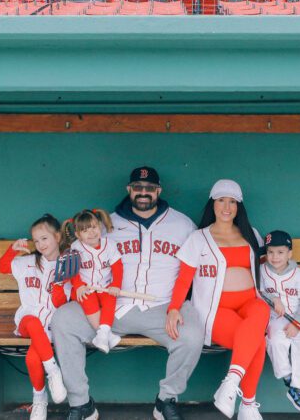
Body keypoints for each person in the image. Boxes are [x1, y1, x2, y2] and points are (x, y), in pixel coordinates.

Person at [52, 166, 203, 420]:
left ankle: (166, 400)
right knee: (63, 320)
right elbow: (79, 253)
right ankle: (81, 403)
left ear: (159, 191)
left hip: (162, 308)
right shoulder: (107, 225)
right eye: (137, 187)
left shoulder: (183, 224)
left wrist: (177, 306)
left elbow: (195, 266)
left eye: (149, 188)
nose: (143, 192)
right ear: (129, 190)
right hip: (111, 308)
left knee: (192, 335)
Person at [167, 179, 269, 420]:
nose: (226, 207)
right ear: (212, 204)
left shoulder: (251, 234)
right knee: (257, 341)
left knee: (261, 310)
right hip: (215, 309)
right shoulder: (198, 238)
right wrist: (173, 308)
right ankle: (248, 405)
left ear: (238, 206)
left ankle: (231, 382)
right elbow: (184, 279)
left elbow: (268, 271)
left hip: (249, 304)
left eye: (232, 202)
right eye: (221, 200)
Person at [0, 213, 71, 420]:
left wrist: (59, 283)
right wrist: (12, 250)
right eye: (36, 241)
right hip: (26, 321)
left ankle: (39, 399)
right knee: (32, 321)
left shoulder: (67, 266)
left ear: (57, 237)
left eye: (44, 238)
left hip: (52, 325)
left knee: (32, 357)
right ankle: (54, 372)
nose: (40, 244)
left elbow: (61, 303)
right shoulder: (27, 262)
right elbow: (2, 267)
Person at [260, 230, 300, 415]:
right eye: (270, 252)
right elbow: (259, 292)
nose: (275, 257)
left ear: (289, 254)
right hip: (275, 318)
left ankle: (299, 389)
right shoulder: (262, 271)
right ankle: (288, 377)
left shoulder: (299, 274)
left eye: (280, 252)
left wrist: (296, 324)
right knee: (276, 341)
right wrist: (274, 298)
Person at [62, 208, 124, 353]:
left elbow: (118, 267)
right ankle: (105, 335)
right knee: (87, 298)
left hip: (104, 286)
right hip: (85, 287)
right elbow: (73, 271)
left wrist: (116, 285)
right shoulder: (76, 247)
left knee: (110, 298)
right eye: (85, 230)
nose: (91, 233)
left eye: (94, 227)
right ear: (78, 235)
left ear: (100, 226)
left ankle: (103, 333)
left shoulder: (110, 244)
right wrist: (78, 286)